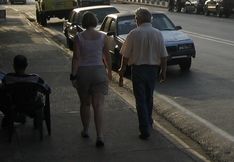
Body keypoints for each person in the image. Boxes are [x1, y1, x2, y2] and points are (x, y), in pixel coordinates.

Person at [117, 8, 168, 140]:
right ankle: (149, 121)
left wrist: (122, 68)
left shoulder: (134, 33)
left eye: (135, 19)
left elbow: (125, 54)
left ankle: (145, 128)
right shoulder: (157, 33)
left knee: (140, 100)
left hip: (138, 70)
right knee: (149, 98)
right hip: (152, 69)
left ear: (138, 19)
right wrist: (163, 70)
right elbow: (163, 55)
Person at [70, 11, 112, 147]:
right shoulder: (103, 37)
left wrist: (73, 75)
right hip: (98, 71)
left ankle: (86, 130)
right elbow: (107, 56)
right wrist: (109, 71)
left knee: (85, 103)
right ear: (95, 21)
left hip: (83, 72)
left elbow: (77, 57)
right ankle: (100, 136)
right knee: (98, 105)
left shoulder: (78, 37)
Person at [3, 55, 50, 126]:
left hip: (15, 104)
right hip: (32, 104)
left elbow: (3, 87)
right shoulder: (35, 78)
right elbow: (47, 89)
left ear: (14, 65)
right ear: (26, 65)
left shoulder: (8, 78)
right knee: (39, 99)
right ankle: (38, 118)